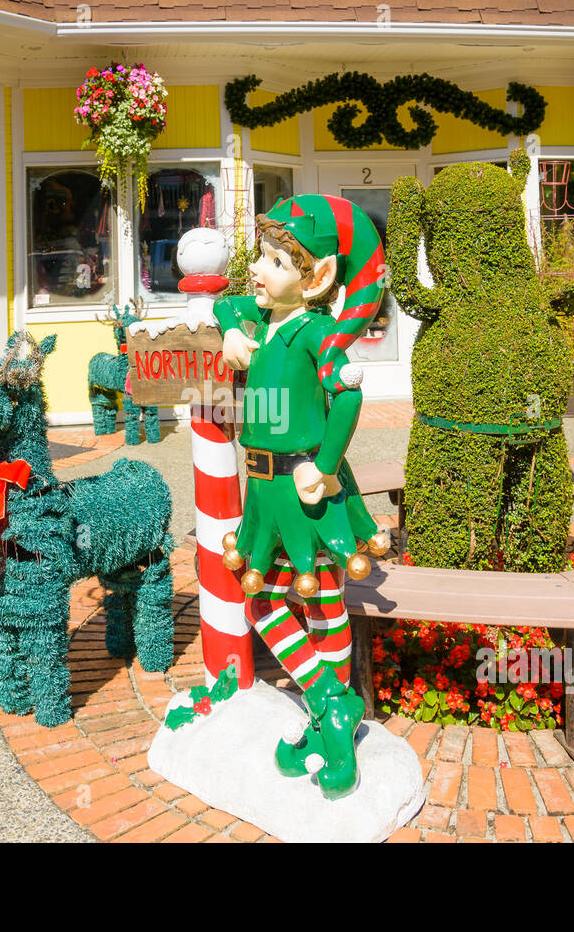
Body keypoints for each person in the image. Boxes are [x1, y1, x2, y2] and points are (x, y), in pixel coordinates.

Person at [213, 194, 391, 800]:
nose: (258, 270)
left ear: (316, 278)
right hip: (261, 491)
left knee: (321, 603)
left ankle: (330, 722)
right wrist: (233, 328)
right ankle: (333, 707)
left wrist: (325, 463)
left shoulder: (317, 333)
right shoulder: (265, 322)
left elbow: (348, 396)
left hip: (302, 489)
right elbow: (227, 299)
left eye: (275, 263)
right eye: (260, 256)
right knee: (261, 600)